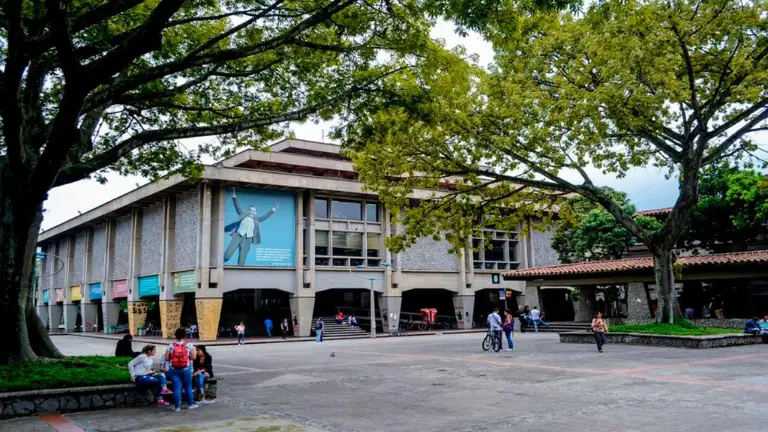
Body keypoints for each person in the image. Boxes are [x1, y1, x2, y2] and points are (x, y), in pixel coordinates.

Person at [223, 187, 279, 266]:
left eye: (253, 211)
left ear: (255, 212)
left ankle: (240, 270)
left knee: (242, 257)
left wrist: (273, 210)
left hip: (248, 239)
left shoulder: (257, 219)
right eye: (251, 210)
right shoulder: (243, 215)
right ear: (248, 210)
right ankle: (223, 260)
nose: (252, 212)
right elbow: (237, 207)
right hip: (238, 235)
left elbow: (265, 217)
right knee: (228, 253)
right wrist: (234, 197)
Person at [165, 328, 198, 411]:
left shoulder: (171, 346)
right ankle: (190, 404)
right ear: (185, 335)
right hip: (186, 369)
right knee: (188, 387)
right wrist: (187, 358)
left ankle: (177, 407)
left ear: (175, 335)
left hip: (174, 369)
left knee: (176, 388)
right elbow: (194, 357)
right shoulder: (189, 345)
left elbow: (166, 358)